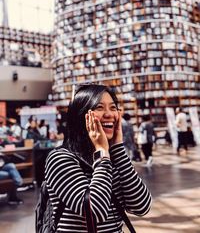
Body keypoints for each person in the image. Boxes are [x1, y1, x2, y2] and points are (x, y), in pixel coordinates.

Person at [45, 84, 152, 232]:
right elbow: (95, 213)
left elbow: (142, 206)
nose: (109, 114)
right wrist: (101, 152)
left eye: (113, 108)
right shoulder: (60, 159)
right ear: (81, 115)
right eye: (100, 107)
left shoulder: (113, 157)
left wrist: (117, 149)